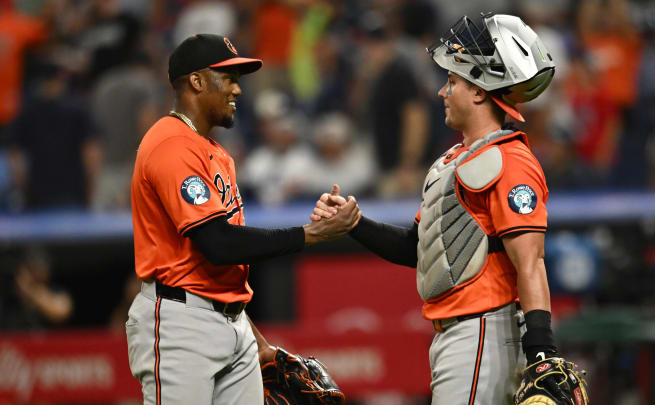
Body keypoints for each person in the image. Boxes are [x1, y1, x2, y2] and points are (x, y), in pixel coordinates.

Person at [314, 14, 562, 403]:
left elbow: (531, 261)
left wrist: (542, 350)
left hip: (485, 331)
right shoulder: (452, 160)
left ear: (479, 92)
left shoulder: (509, 159)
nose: (442, 92)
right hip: (457, 334)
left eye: (453, 82)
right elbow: (417, 248)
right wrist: (355, 224)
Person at [126, 34, 360, 405]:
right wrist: (310, 235)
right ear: (197, 82)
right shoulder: (171, 144)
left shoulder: (216, 153)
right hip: (180, 325)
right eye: (228, 77)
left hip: (232, 321)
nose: (237, 89)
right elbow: (218, 244)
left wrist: (258, 342)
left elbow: (220, 268)